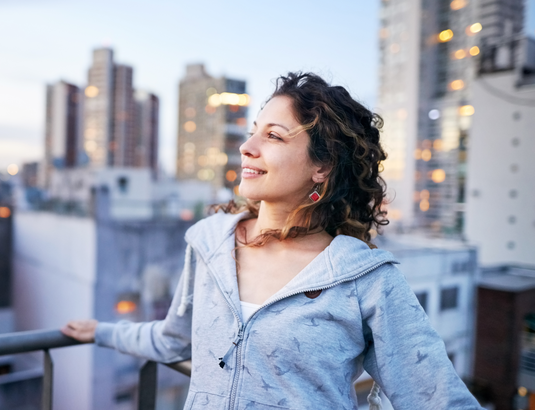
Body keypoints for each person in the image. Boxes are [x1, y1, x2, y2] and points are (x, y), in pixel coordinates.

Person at [61, 72, 483, 409]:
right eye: (252, 132)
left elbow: (437, 397)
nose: (247, 147)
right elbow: (174, 338)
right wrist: (102, 331)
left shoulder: (365, 279)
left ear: (323, 166)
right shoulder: (209, 244)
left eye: (274, 136)